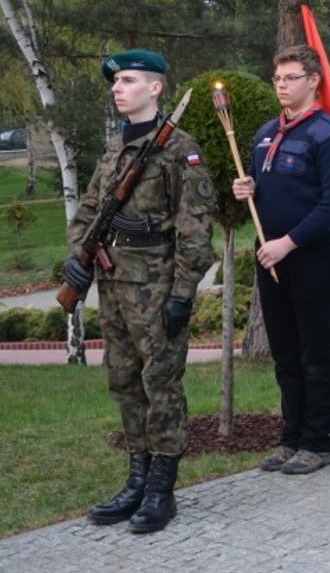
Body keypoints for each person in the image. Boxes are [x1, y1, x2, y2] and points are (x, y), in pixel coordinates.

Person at [64, 49, 216, 533]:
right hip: (112, 284)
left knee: (161, 385)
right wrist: (79, 255)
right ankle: (135, 481)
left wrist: (182, 294)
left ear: (155, 88)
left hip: (156, 288)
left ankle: (161, 491)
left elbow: (195, 230)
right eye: (115, 81)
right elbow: (89, 208)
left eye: (128, 80)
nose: (117, 88)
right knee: (124, 382)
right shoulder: (115, 147)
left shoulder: (180, 149)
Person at [232, 45, 330, 475]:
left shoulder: (329, 137)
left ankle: (317, 442)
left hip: (312, 257)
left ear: (313, 81)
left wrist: (289, 242)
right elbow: (271, 187)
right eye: (278, 78)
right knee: (284, 352)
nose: (282, 85)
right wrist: (248, 188)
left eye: (291, 78)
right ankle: (291, 438)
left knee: (314, 351)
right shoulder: (266, 132)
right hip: (271, 257)